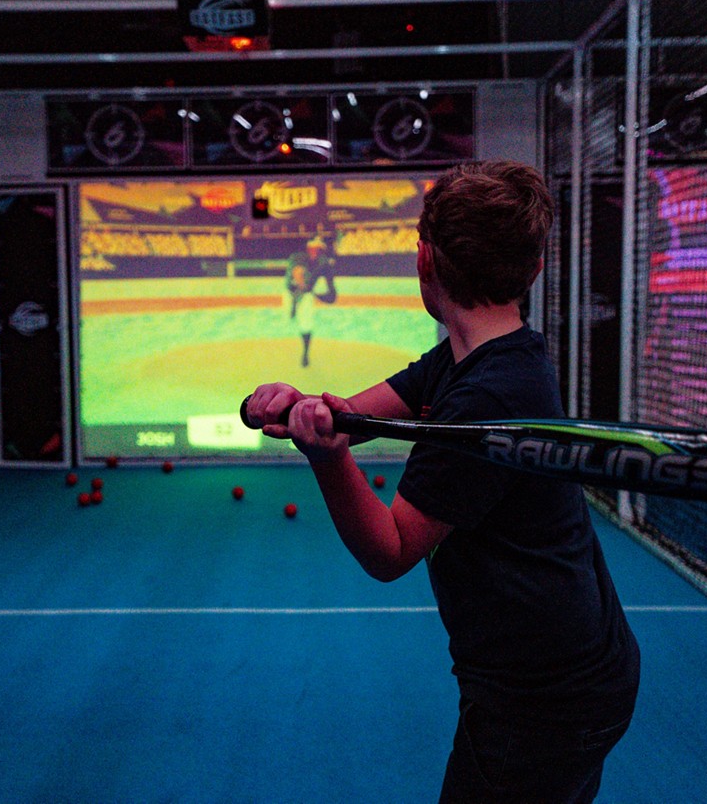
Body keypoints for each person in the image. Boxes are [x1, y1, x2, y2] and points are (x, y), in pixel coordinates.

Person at [244, 161, 639, 803]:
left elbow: (392, 548)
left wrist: (327, 457)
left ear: (423, 260)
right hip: (558, 670)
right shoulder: (477, 357)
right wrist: (304, 409)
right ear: (534, 268)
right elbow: (359, 414)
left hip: (542, 696)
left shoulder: (491, 391)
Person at [284, 235, 337, 366]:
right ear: (308, 248)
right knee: (288, 319)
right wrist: (295, 303)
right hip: (290, 294)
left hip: (306, 295)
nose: (316, 252)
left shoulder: (324, 264)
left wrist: (320, 296)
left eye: (319, 249)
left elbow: (332, 294)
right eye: (314, 248)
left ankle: (305, 353)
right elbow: (298, 273)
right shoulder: (299, 257)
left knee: (306, 325)